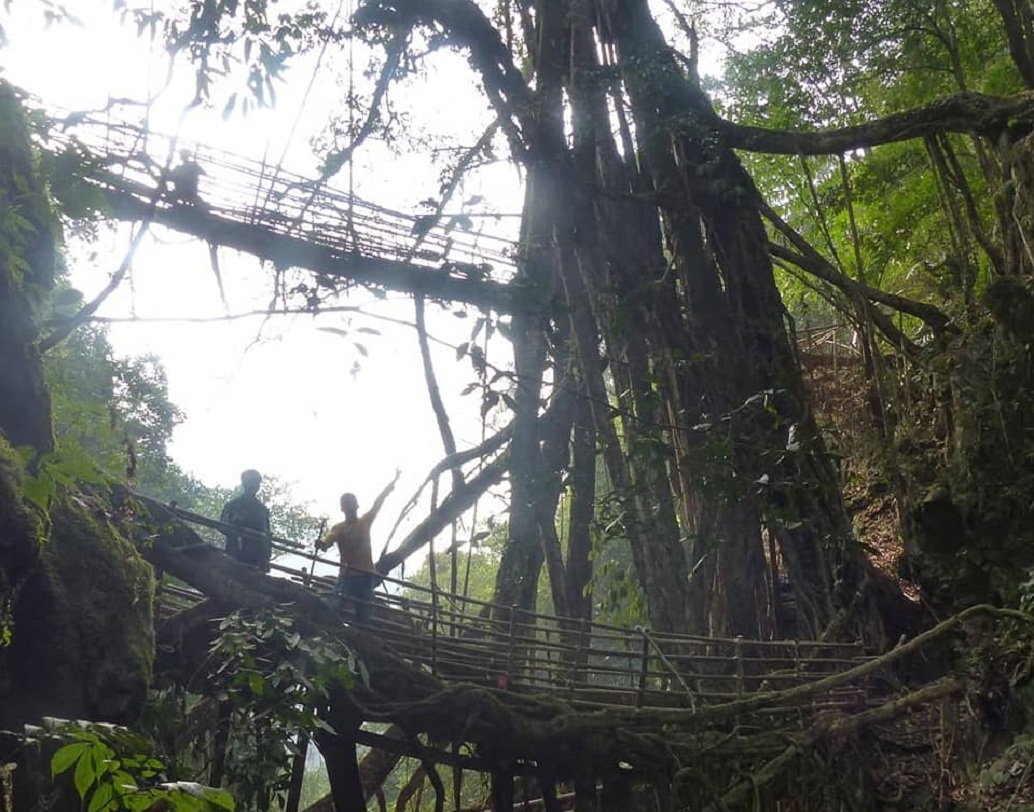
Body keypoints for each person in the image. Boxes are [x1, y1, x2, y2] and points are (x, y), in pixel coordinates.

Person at [317, 469, 400, 622]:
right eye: (346, 505)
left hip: (366, 576)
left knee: (364, 614)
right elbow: (328, 541)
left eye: (351, 505)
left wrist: (390, 486)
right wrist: (322, 544)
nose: (349, 508)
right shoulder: (339, 528)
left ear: (357, 506)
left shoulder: (365, 522)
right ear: (342, 508)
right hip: (348, 575)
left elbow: (378, 503)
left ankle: (360, 637)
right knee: (333, 605)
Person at [220, 469, 272, 572]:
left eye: (256, 483)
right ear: (244, 483)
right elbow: (222, 526)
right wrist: (235, 526)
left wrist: (266, 558)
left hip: (255, 558)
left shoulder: (261, 509)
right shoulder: (232, 506)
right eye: (252, 482)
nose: (254, 485)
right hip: (235, 553)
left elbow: (266, 535)